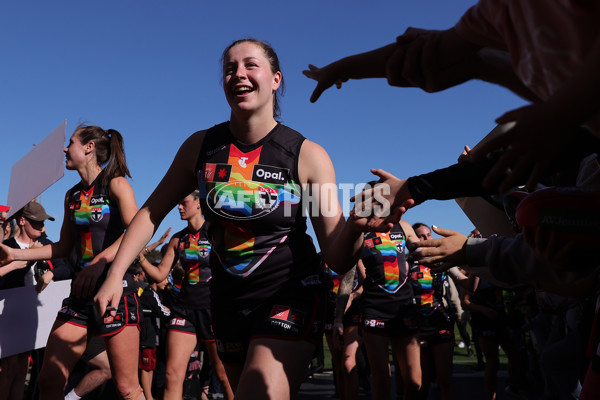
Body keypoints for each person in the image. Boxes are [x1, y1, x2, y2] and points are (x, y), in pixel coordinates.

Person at [94, 38, 363, 400]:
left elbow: (336, 254)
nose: (239, 74)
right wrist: (114, 275)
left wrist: (360, 225)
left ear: (276, 79)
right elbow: (151, 212)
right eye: (230, 68)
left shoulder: (307, 155)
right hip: (226, 299)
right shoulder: (200, 147)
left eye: (251, 65)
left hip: (289, 292)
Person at [0, 125, 142, 400]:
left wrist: (100, 263)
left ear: (88, 148)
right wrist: (15, 254)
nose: (65, 148)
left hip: (115, 292)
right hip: (80, 295)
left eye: (71, 143)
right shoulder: (72, 196)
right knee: (49, 379)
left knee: (126, 387)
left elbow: (136, 233)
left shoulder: (116, 183)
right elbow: (63, 247)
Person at [136, 191, 233, 400]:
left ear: (199, 203)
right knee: (172, 375)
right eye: (178, 203)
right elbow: (161, 273)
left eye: (184, 203)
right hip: (184, 310)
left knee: (223, 374)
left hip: (213, 309)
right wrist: (141, 259)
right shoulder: (178, 239)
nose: (179, 207)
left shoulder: (216, 231)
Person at [0, 201, 68, 400]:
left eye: (43, 223)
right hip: (10, 312)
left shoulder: (47, 245)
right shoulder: (8, 247)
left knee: (22, 367)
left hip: (35, 314)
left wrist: (51, 274)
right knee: (10, 367)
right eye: (38, 223)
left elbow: (66, 267)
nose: (43, 228)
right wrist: (29, 257)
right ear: (22, 221)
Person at [359, 215, 422, 400]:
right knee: (381, 379)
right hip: (375, 307)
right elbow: (348, 266)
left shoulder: (403, 226)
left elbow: (418, 248)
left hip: (405, 307)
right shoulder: (361, 231)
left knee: (414, 381)